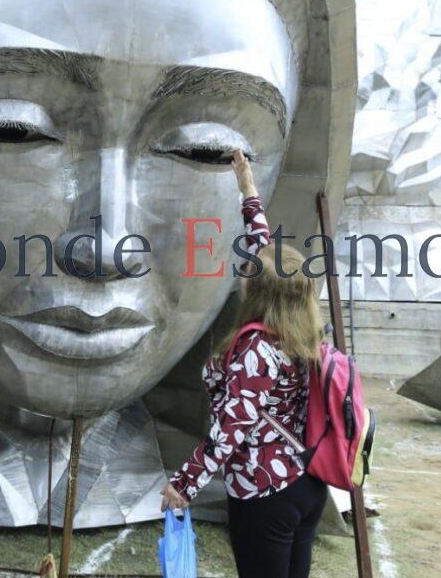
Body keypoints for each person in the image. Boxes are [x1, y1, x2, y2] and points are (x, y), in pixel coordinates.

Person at [159, 151, 328, 578]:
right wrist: (246, 187)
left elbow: (231, 428)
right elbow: (266, 249)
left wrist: (184, 484)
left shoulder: (257, 350)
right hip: (305, 482)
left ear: (260, 290)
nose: (243, 269)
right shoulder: (302, 332)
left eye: (249, 270)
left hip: (265, 491)